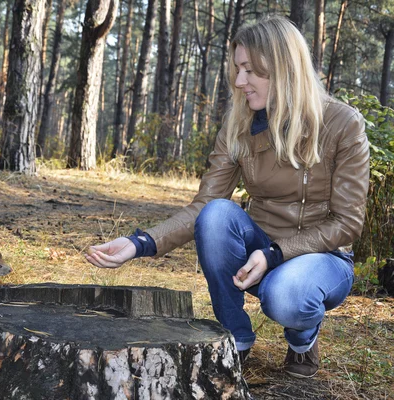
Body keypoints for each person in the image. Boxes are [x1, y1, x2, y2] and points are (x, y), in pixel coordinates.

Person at [85, 15, 369, 379]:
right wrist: (140, 242)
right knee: (217, 215)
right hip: (258, 248)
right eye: (237, 69)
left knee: (286, 296)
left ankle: (302, 339)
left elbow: (347, 223)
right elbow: (204, 207)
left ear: (282, 67)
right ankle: (236, 336)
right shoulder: (239, 124)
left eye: (250, 70)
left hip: (321, 256)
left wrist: (275, 254)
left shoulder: (342, 124)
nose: (239, 81)